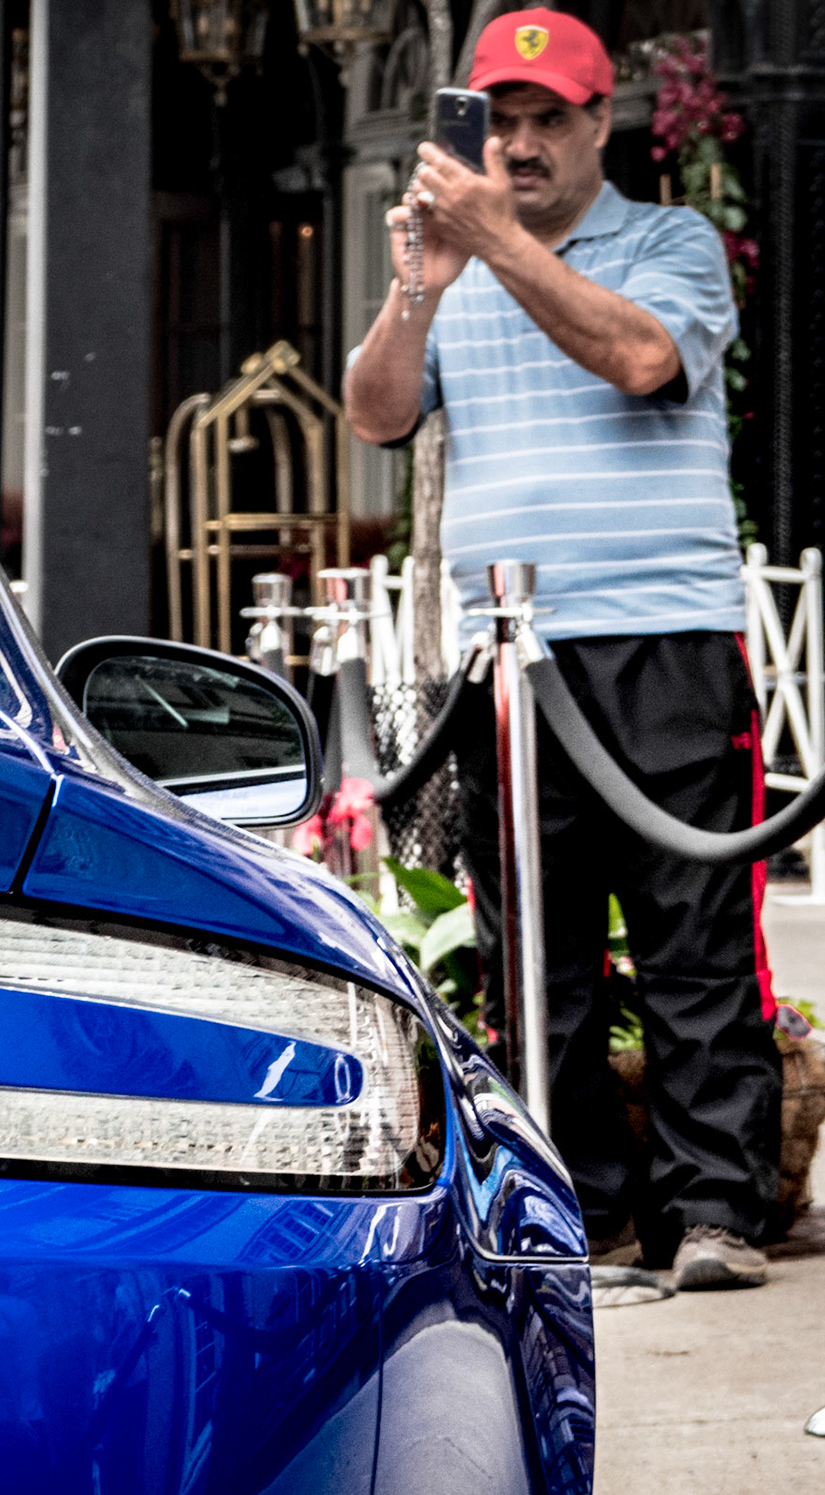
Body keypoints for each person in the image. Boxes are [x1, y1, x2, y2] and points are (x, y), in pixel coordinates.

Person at [344, 8, 781, 1289]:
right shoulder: (453, 267)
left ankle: (715, 1213)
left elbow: (641, 359)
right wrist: (420, 285)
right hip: (509, 654)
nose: (522, 145)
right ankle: (578, 1208)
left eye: (549, 120)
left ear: (602, 123)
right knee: (537, 953)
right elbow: (375, 414)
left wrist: (498, 243)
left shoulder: (671, 243)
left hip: (661, 636)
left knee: (696, 934)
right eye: (502, 122)